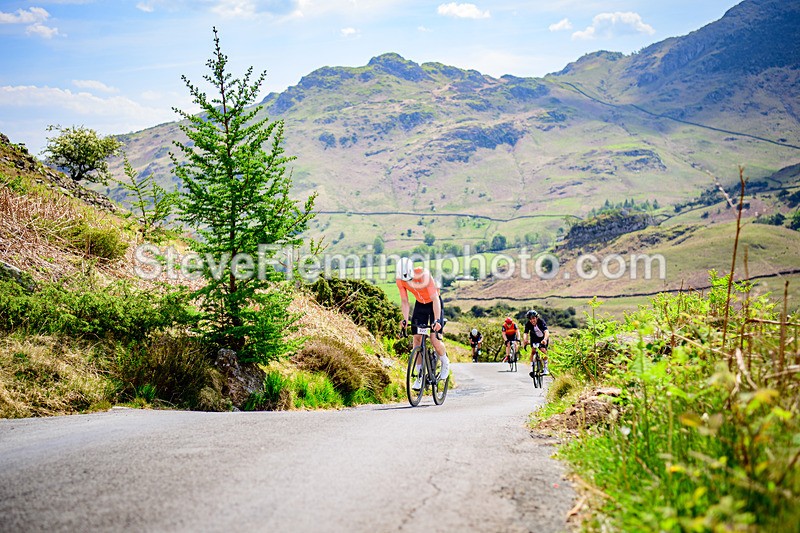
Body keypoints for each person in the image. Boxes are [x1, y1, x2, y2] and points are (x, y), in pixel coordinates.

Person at [396, 257, 449, 390]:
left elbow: (435, 299)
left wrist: (436, 320)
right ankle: (420, 375)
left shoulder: (424, 275)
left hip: (433, 304)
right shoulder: (400, 280)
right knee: (417, 339)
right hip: (420, 305)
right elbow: (404, 301)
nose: (408, 282)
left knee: (434, 339)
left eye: (409, 278)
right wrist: (405, 319)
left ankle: (444, 361)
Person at [523, 309, 550, 374]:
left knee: (543, 351)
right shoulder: (528, 324)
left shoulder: (541, 322)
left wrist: (545, 339)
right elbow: (525, 333)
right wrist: (525, 340)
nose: (532, 320)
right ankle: (532, 368)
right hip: (534, 338)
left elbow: (546, 331)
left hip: (542, 338)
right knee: (533, 351)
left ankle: (546, 368)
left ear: (536, 317)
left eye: (533, 318)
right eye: (530, 319)